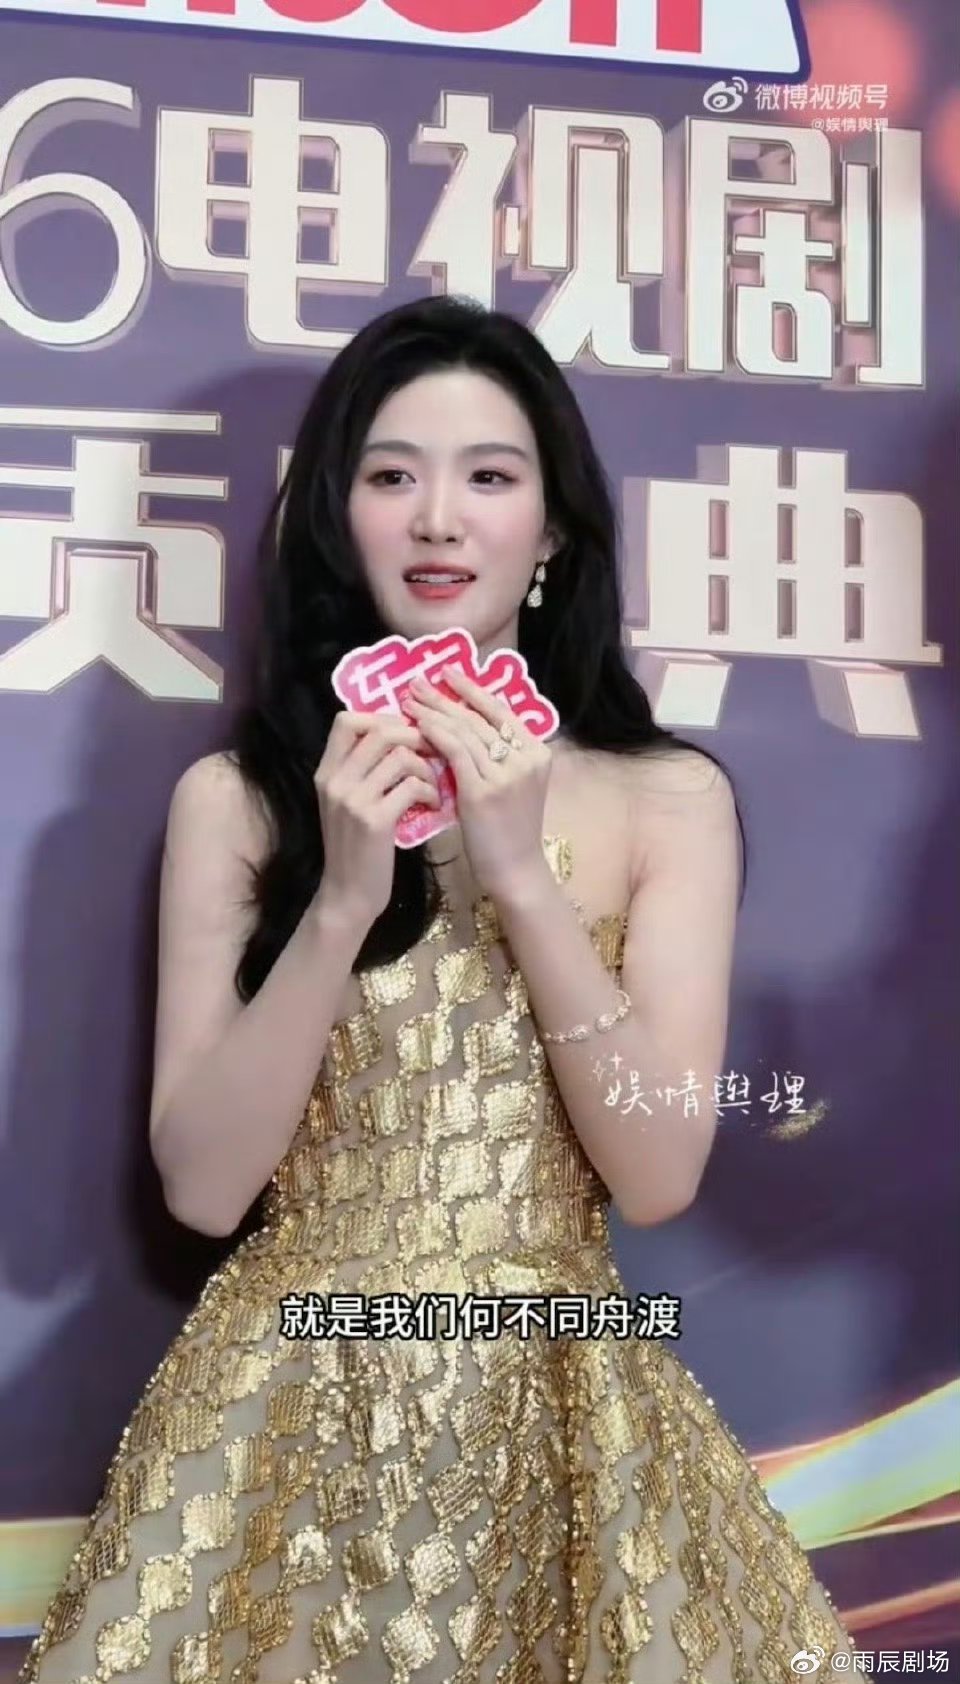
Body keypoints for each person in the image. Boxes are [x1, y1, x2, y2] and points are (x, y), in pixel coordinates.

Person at [19, 296, 855, 1684]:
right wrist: (342, 897)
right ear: (338, 518)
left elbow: (658, 1174)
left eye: (490, 476)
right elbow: (204, 1188)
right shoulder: (239, 799)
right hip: (291, 1402)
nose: (439, 519)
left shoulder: (666, 799)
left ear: (555, 530)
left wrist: (522, 875)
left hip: (564, 1398)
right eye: (392, 474)